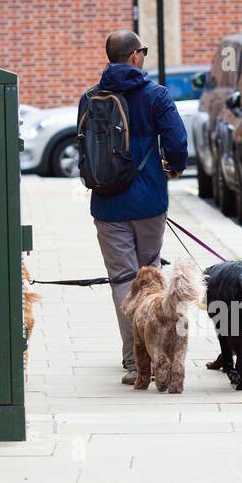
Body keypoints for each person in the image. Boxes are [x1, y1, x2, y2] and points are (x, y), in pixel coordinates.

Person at [79, 30, 188, 384]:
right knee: (151, 275)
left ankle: (133, 360)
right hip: (150, 202)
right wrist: (174, 166)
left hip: (108, 204)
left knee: (123, 281)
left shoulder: (91, 98)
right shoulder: (156, 96)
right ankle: (156, 353)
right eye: (143, 50)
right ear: (135, 56)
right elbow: (177, 141)